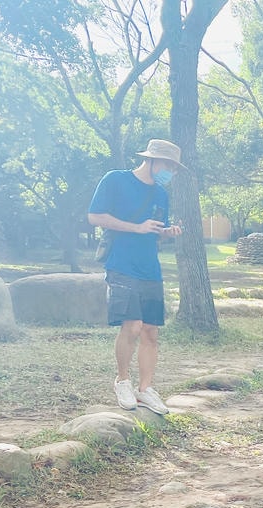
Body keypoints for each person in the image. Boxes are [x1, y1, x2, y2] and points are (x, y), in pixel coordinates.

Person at [87, 139, 186, 415]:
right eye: (168, 165)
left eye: (174, 168)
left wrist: (165, 232)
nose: (171, 172)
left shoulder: (161, 195)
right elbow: (95, 217)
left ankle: (145, 390)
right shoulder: (115, 181)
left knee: (151, 332)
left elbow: (153, 230)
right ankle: (122, 380)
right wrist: (136, 227)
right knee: (131, 326)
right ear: (151, 160)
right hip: (121, 263)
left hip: (149, 267)